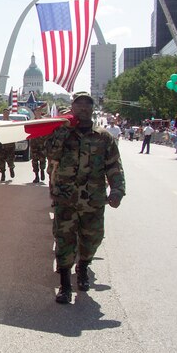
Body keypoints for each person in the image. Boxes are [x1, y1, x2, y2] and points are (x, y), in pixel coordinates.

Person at [46, 91, 125, 304]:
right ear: (72, 108)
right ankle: (64, 284)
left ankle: (83, 265)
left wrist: (117, 190)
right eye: (78, 104)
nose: (82, 107)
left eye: (86, 104)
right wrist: (62, 131)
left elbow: (114, 165)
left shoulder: (103, 137)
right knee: (64, 240)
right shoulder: (61, 132)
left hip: (93, 198)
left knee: (93, 238)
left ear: (92, 109)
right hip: (66, 197)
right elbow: (51, 154)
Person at [29, 106, 49, 183]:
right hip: (34, 144)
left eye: (39, 111)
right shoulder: (32, 121)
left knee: (42, 159)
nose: (37, 112)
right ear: (34, 112)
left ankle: (42, 170)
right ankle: (36, 175)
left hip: (42, 143)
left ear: (41, 112)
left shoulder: (44, 121)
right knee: (34, 161)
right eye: (36, 111)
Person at [0, 108, 16, 181]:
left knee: (10, 159)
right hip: (1, 145)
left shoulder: (12, 122)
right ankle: (3, 174)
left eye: (7, 113)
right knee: (1, 159)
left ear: (8, 114)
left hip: (10, 144)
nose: (5, 114)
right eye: (4, 113)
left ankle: (11, 168)